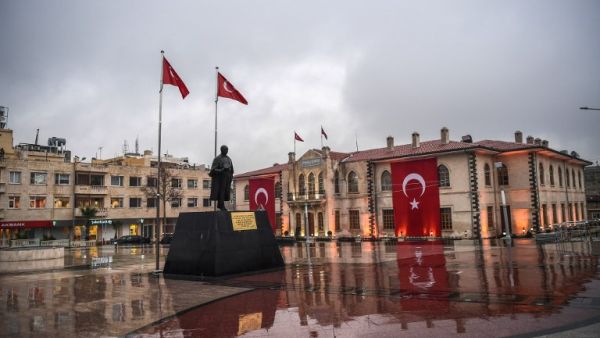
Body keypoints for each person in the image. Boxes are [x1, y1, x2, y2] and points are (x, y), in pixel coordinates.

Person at [209, 145, 234, 211]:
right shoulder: (217, 158)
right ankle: (221, 205)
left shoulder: (229, 159)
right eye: (225, 149)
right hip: (220, 179)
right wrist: (222, 170)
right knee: (221, 192)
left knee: (225, 191)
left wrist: (231, 176)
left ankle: (221, 205)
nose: (226, 151)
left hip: (227, 178)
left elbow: (231, 169)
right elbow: (212, 170)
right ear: (221, 150)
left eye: (227, 150)